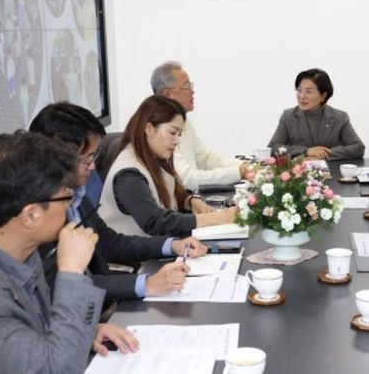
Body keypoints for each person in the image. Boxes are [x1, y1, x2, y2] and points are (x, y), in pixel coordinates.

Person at [0, 132, 138, 373]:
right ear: (31, 215)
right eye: (66, 196)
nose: (69, 206)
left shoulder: (23, 253)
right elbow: (57, 370)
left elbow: (38, 332)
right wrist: (72, 273)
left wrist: (86, 333)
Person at [29, 102, 209, 305]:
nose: (93, 166)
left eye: (94, 156)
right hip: (81, 308)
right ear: (56, 160)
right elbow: (61, 287)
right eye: (86, 159)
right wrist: (147, 284)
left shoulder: (76, 193)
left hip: (95, 302)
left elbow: (109, 243)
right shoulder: (39, 215)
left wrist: (172, 245)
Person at [100, 95, 236, 237]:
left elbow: (173, 194)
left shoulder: (154, 157)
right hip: (136, 251)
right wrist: (218, 218)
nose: (177, 140)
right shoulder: (128, 175)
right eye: (172, 132)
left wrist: (191, 201)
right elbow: (157, 222)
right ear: (149, 128)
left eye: (179, 134)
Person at [151, 61, 250, 189]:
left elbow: (205, 158)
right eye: (187, 86)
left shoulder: (183, 121)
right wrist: (239, 172)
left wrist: (243, 166)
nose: (192, 92)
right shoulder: (160, 128)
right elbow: (187, 179)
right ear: (168, 94)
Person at [268, 68, 365, 160]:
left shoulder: (340, 117)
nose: (302, 96)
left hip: (331, 170)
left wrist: (322, 155)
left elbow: (359, 148)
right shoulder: (288, 116)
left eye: (308, 92)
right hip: (299, 170)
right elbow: (273, 147)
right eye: (299, 90)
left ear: (323, 96)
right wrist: (306, 151)